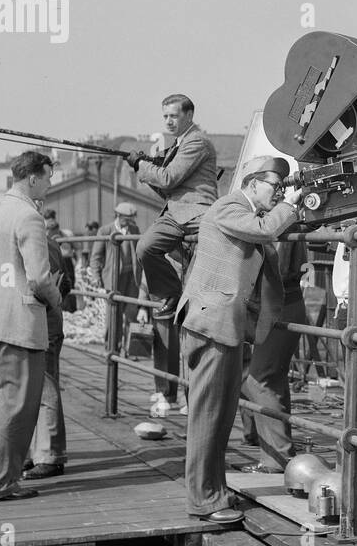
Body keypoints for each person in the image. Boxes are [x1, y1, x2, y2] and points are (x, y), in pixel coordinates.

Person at [176, 155, 299, 524]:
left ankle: (214, 489)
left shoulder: (246, 212)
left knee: (222, 413)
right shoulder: (228, 206)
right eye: (275, 186)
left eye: (282, 188)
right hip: (211, 324)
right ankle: (202, 498)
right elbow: (264, 232)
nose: (279, 193)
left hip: (223, 326)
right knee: (208, 415)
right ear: (251, 183)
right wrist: (293, 207)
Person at [0, 151, 62, 502]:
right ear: (32, 178)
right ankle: (1, 482)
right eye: (48, 177)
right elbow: (38, 278)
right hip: (17, 324)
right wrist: (56, 299)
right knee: (18, 403)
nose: (50, 183)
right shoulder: (29, 217)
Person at [130, 93, 219, 319]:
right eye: (165, 116)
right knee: (145, 247)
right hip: (175, 213)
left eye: (174, 116)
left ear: (189, 115)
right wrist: (146, 168)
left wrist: (142, 165)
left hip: (198, 211)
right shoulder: (177, 145)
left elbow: (169, 178)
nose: (168, 121)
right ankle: (171, 293)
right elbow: (167, 190)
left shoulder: (197, 141)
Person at [236, 228, 309, 473]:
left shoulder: (280, 224)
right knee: (272, 379)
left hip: (279, 308)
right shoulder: (284, 222)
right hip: (285, 305)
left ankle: (278, 457)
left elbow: (278, 269)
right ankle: (278, 454)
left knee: (259, 380)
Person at [25, 222, 73, 480]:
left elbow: (38, 283)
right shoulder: (52, 244)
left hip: (39, 321)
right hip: (51, 320)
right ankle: (42, 452)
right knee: (44, 385)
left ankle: (50, 454)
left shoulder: (34, 246)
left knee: (45, 387)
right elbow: (68, 283)